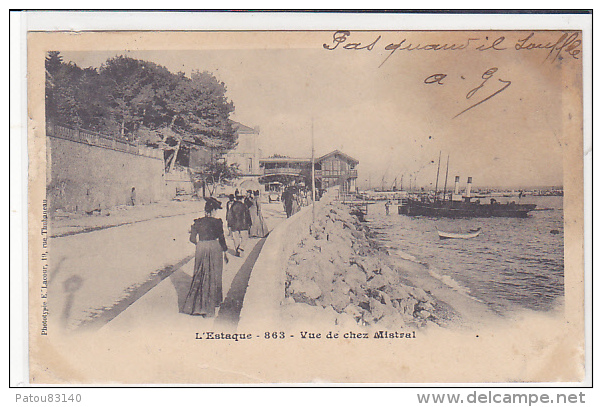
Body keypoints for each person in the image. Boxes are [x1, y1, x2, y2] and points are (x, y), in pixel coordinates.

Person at [182, 197, 228, 317]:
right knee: (214, 275)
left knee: (200, 274)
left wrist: (200, 245)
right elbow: (221, 238)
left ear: (205, 210)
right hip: (214, 248)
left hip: (201, 248)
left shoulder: (197, 222)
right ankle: (213, 304)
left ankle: (196, 306)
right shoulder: (218, 222)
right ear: (213, 211)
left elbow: (192, 239)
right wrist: (225, 252)